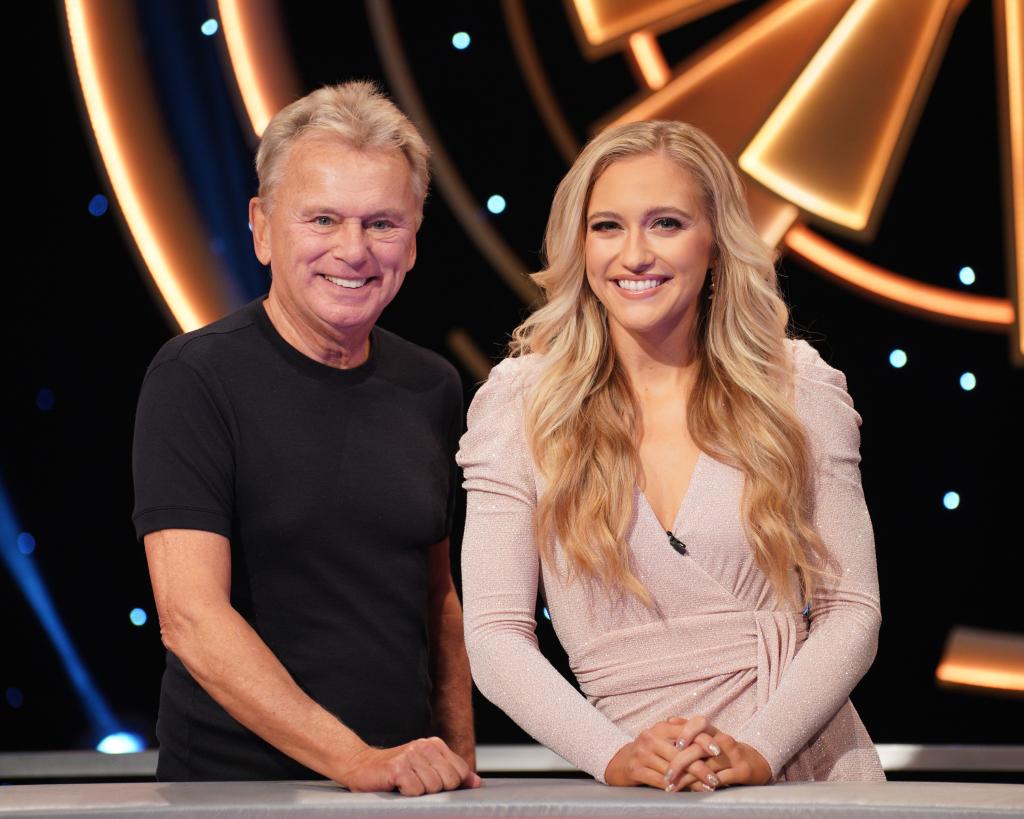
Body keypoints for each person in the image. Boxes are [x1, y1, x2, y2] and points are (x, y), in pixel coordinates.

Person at [458, 120, 885, 792]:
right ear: (579, 242)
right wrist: (613, 755)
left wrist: (760, 748)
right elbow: (494, 635)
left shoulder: (795, 387)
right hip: (634, 783)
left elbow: (852, 607)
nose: (634, 254)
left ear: (714, 242)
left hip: (802, 769)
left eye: (665, 224)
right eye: (607, 227)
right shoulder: (519, 404)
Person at [132, 81, 480, 795]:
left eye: (382, 223)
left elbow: (437, 596)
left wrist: (458, 761)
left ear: (413, 241)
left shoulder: (433, 384)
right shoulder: (194, 377)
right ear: (262, 226)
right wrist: (354, 759)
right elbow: (191, 618)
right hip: (232, 797)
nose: (352, 251)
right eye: (322, 218)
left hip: (400, 794)